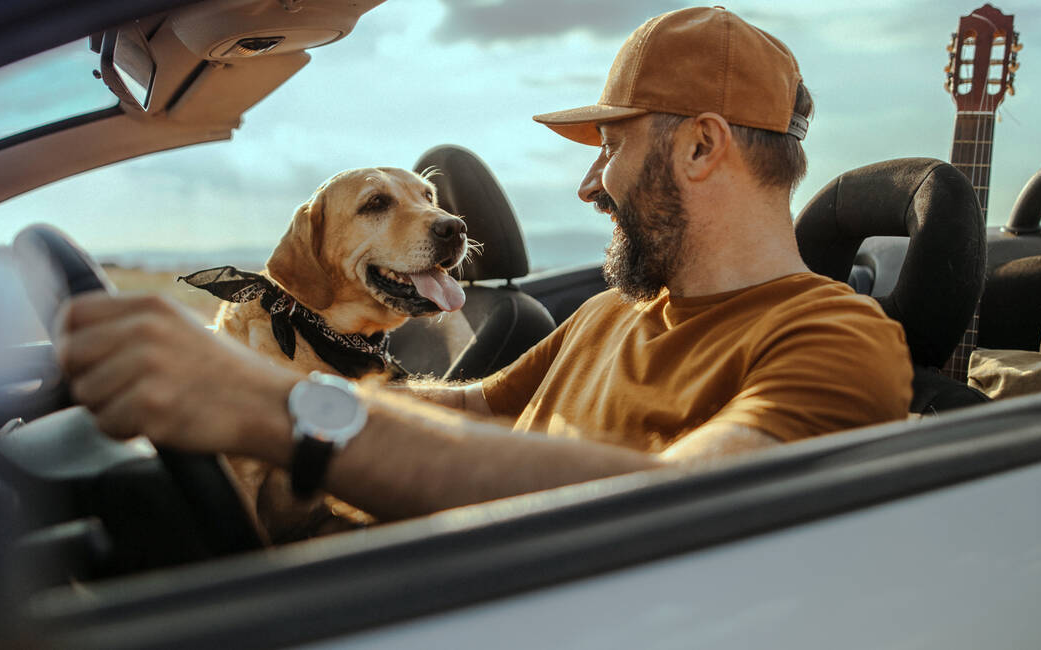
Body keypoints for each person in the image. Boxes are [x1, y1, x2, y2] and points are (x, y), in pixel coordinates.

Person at [57, 7, 912, 524]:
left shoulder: (835, 337)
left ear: (699, 146)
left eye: (610, 146)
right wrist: (281, 362)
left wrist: (280, 409)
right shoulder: (616, 311)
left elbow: (674, 506)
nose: (588, 183)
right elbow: (474, 407)